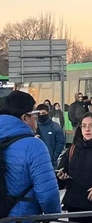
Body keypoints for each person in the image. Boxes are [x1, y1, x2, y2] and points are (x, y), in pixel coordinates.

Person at [0, 90, 61, 219]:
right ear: (24, 118)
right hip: (21, 216)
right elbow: (48, 196)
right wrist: (53, 215)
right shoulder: (34, 146)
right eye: (35, 114)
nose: (37, 118)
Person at [34, 104, 64, 168]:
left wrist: (54, 156)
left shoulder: (55, 126)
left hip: (51, 163)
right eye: (39, 114)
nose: (41, 115)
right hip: (36, 162)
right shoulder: (34, 127)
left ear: (48, 113)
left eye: (43, 113)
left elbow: (60, 142)